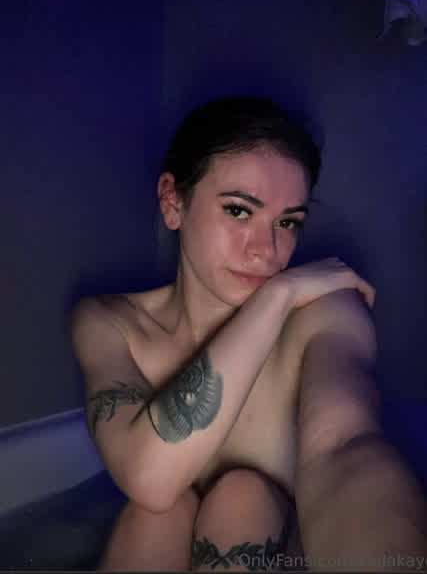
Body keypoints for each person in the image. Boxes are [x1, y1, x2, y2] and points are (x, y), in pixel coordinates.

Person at [70, 96, 424, 572]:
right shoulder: (110, 322)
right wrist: (278, 294)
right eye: (239, 211)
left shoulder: (326, 310)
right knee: (157, 517)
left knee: (244, 499)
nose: (268, 250)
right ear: (173, 202)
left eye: (287, 222)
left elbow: (346, 447)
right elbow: (149, 479)